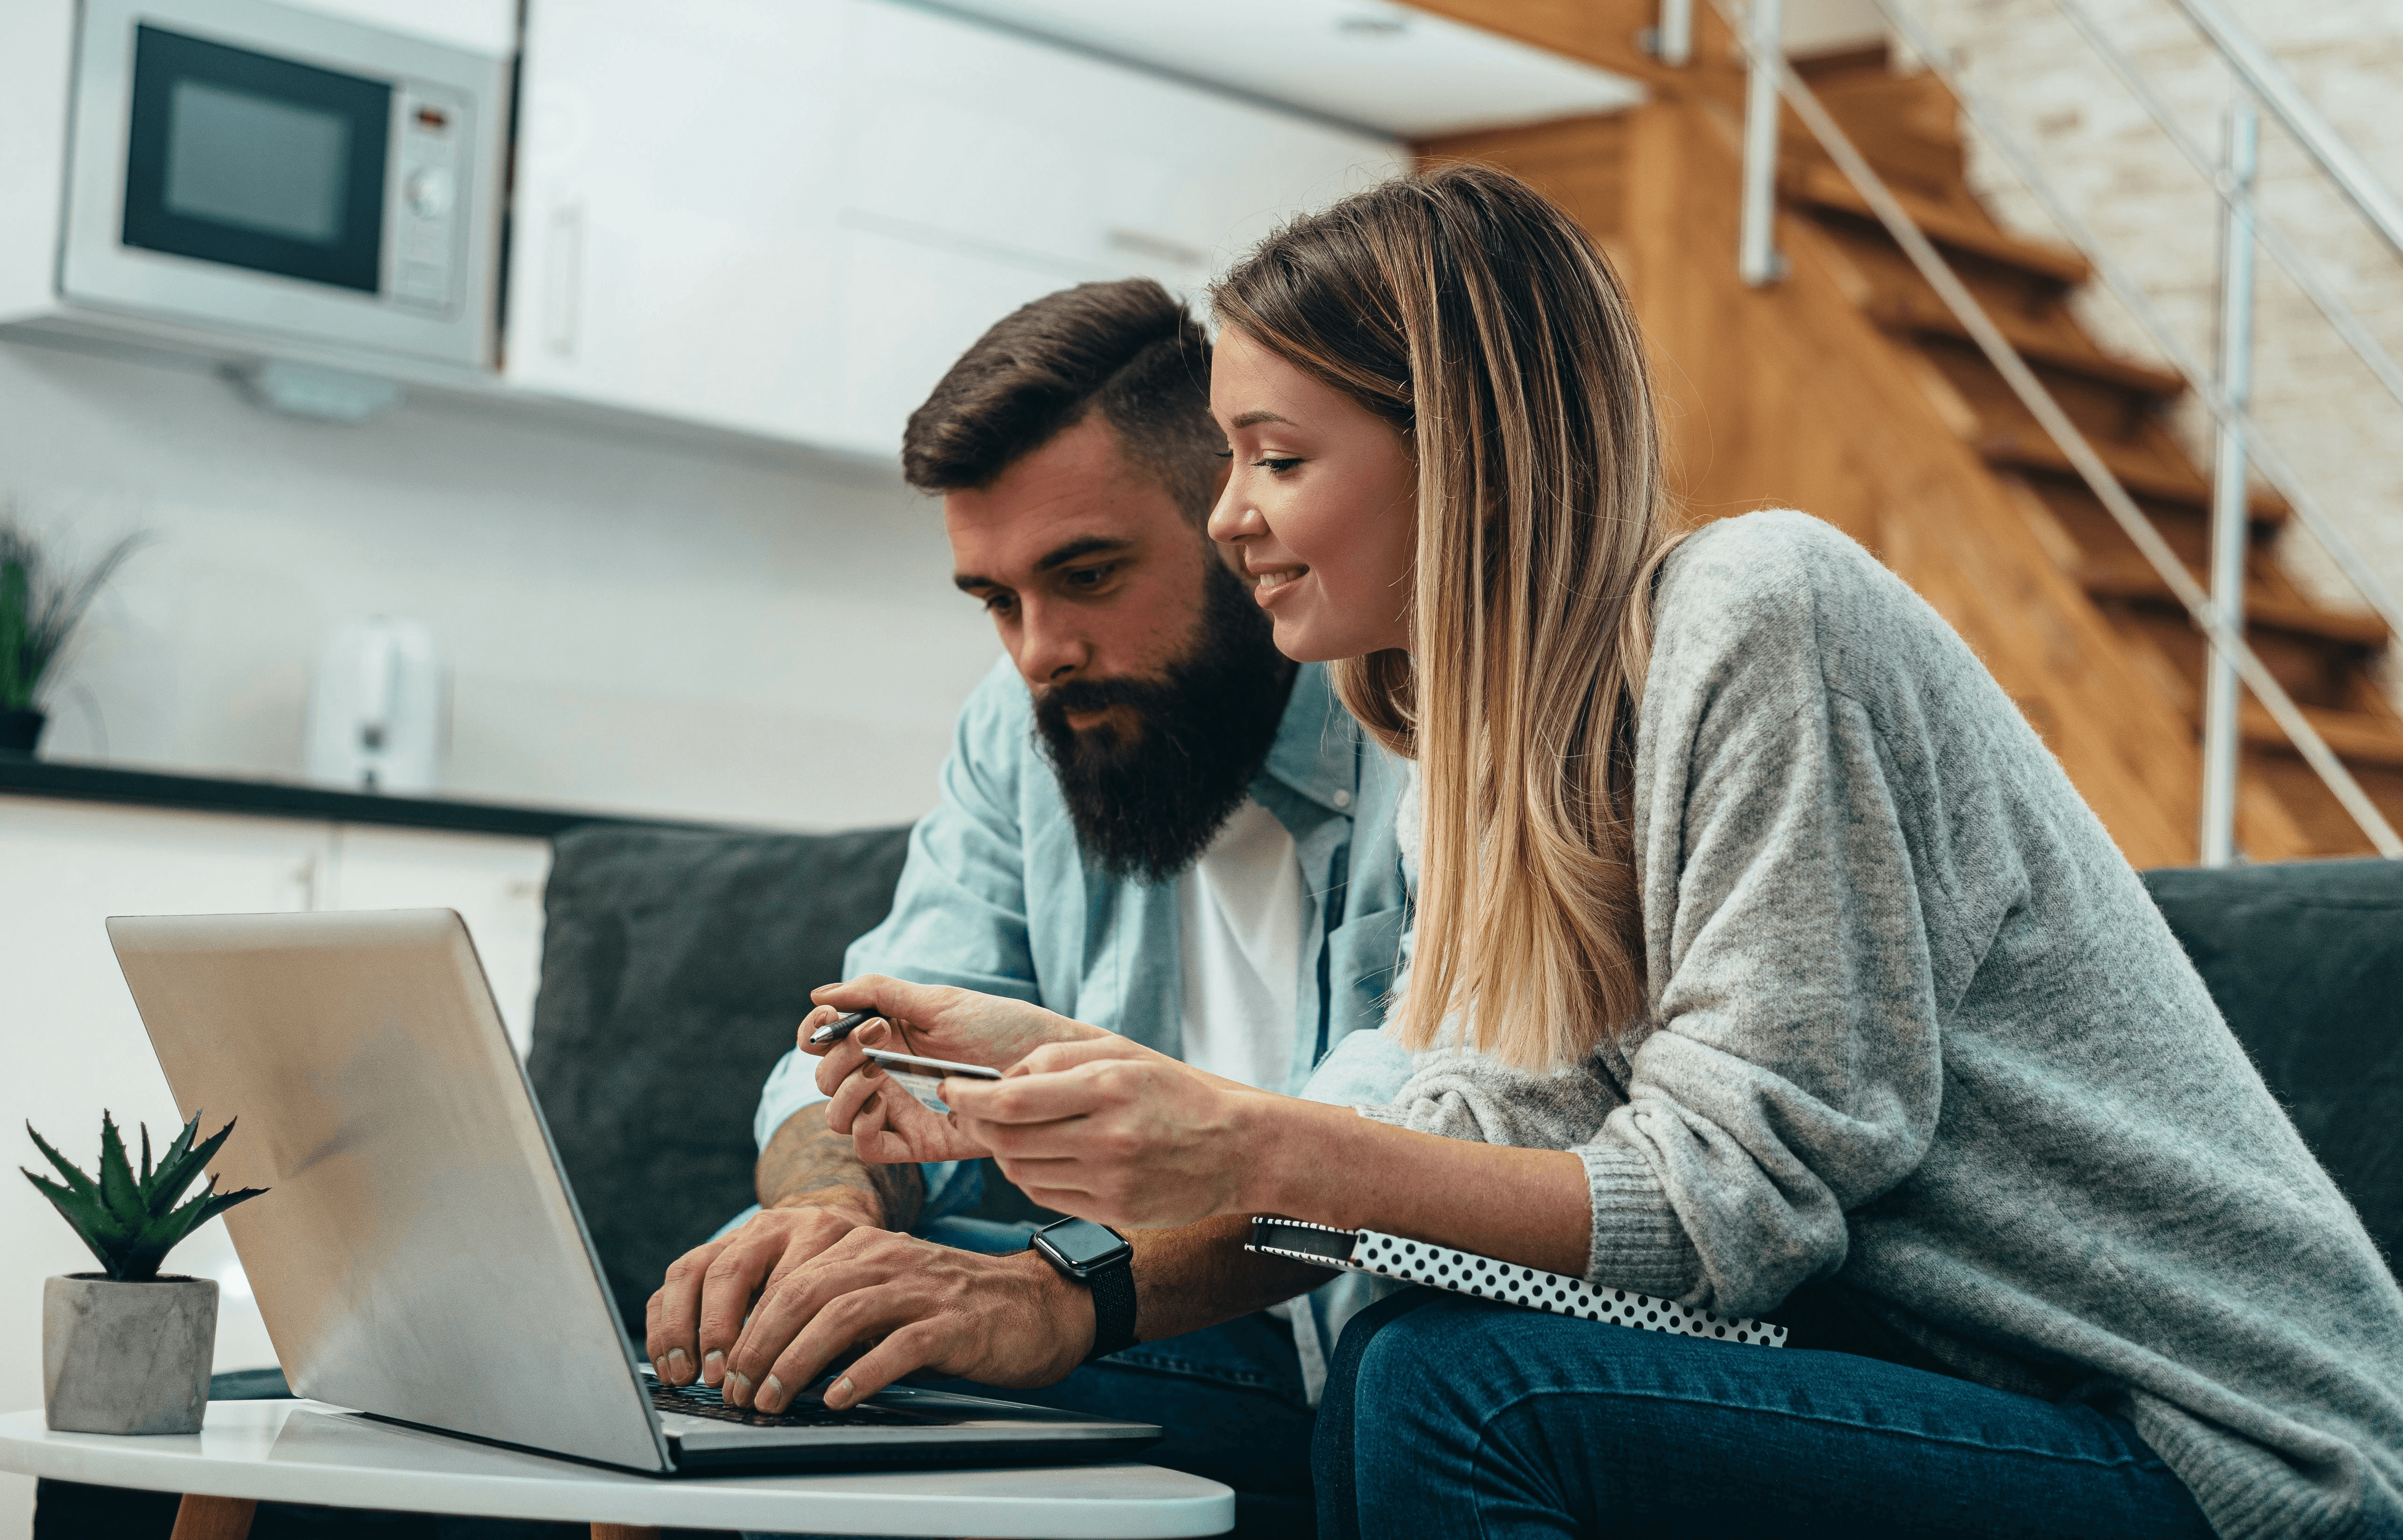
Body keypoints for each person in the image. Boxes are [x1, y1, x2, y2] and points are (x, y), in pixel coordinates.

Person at [748, 164, 2403, 1539]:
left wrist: (1242, 1144)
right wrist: (1083, 1254)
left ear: (1456, 445)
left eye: (1272, 457)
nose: (1232, 515)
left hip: (2205, 1438)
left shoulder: (1761, 609)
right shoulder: (1471, 735)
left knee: (1464, 1379)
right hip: (1932, 1388)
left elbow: (1732, 1210)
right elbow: (1452, 1169)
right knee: (1401, 1330)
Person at [641, 277, 1409, 1535]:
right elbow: (861, 1055)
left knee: (868, 1351)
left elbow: (1393, 1178)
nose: (1037, 651)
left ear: (1235, 515)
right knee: (755, 1301)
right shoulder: (1022, 729)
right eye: (997, 601)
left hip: (1342, 1316)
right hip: (1125, 1300)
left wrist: (1059, 1287)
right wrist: (832, 1213)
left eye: (1088, 574)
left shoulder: (1420, 738)